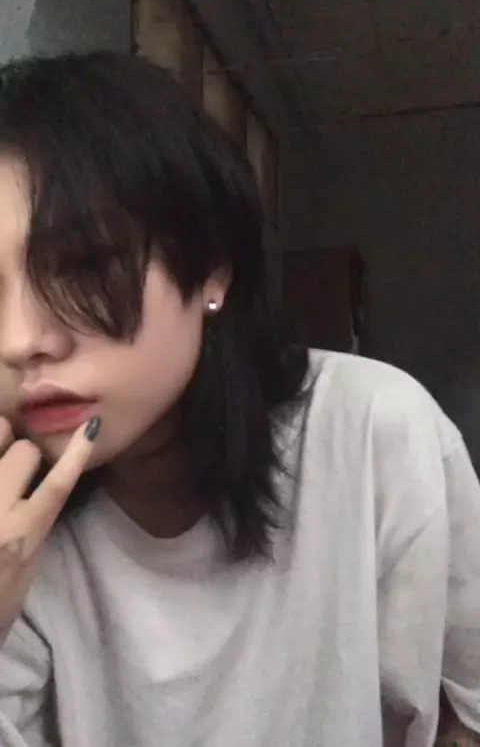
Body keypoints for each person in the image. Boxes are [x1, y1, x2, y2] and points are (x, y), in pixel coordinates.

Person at [0, 52, 478, 747]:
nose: (18, 341)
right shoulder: (14, 530)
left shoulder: (371, 430)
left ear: (212, 270)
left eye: (83, 264)